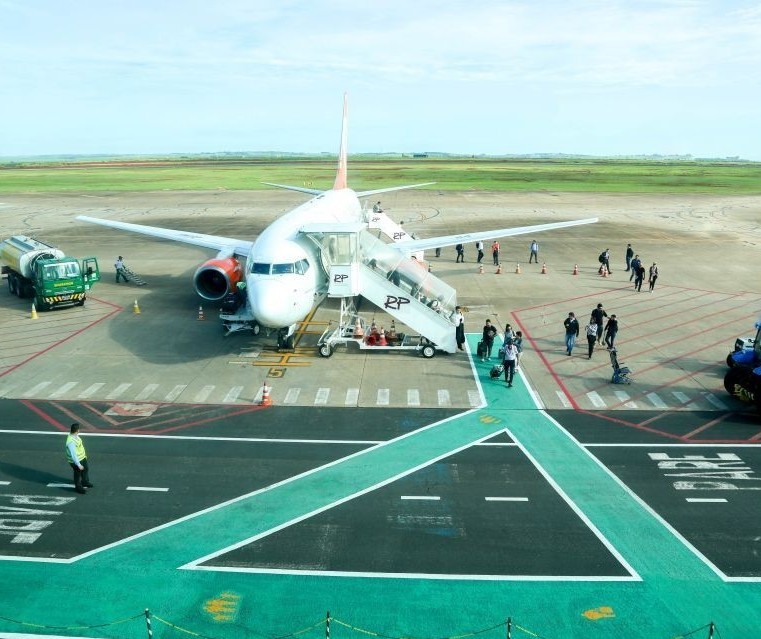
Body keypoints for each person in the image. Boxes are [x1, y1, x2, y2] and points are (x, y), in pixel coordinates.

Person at [65, 422, 93, 494]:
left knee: (85, 469)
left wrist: (84, 456)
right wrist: (78, 464)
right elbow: (73, 454)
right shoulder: (71, 441)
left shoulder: (75, 436)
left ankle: (85, 482)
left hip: (82, 457)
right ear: (77, 430)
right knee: (77, 473)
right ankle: (78, 487)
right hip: (76, 461)